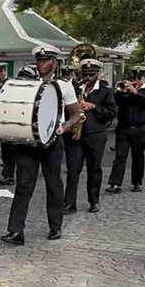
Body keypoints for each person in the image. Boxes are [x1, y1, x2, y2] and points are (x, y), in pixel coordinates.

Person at [1, 46, 80, 246]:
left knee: (53, 184)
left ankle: (55, 226)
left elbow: (75, 114)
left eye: (45, 61)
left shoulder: (64, 86)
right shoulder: (28, 83)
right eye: (39, 61)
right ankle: (16, 231)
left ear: (54, 63)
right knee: (23, 185)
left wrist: (67, 125)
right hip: (29, 141)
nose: (41, 64)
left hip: (53, 140)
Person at [62, 59, 116, 214]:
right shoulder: (75, 89)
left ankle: (94, 201)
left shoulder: (105, 91)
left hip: (95, 136)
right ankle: (69, 203)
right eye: (84, 75)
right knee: (73, 170)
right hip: (76, 135)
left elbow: (111, 114)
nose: (87, 78)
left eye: (91, 75)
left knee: (94, 170)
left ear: (97, 75)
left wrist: (94, 107)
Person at [105, 66, 145, 193]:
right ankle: (115, 183)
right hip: (124, 128)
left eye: (139, 78)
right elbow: (115, 101)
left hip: (140, 129)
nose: (136, 80)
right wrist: (121, 92)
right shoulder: (125, 91)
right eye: (134, 77)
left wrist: (136, 92)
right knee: (120, 156)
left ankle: (137, 182)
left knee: (138, 157)